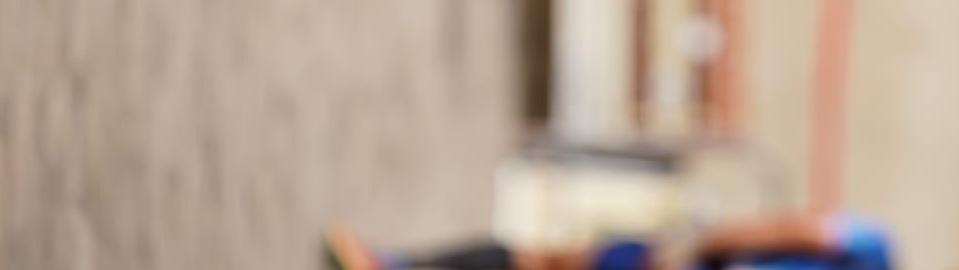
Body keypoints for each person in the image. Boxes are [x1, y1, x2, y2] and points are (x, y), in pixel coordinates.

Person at [322, 208, 893, 270]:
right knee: (545, 261)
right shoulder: (872, 253)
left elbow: (792, 228)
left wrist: (696, 246)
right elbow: (792, 231)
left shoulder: (874, 249)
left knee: (543, 262)